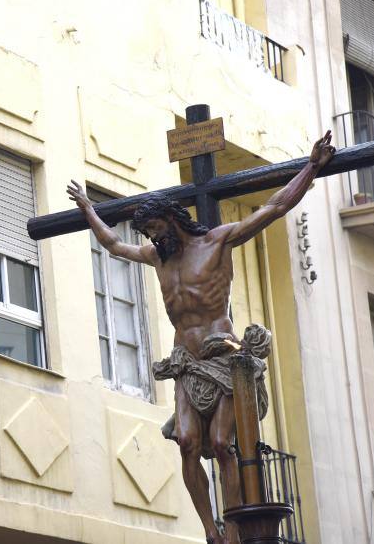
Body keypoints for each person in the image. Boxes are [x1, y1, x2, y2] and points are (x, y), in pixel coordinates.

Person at [68, 132, 336, 544]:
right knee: (188, 441)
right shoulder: (157, 257)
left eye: (157, 230)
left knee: (220, 443)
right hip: (186, 364)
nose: (155, 240)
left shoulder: (217, 242)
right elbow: (114, 244)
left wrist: (312, 167)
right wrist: (88, 209)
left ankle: (231, 528)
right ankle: (209, 530)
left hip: (223, 358)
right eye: (150, 234)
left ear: (173, 220)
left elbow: (274, 207)